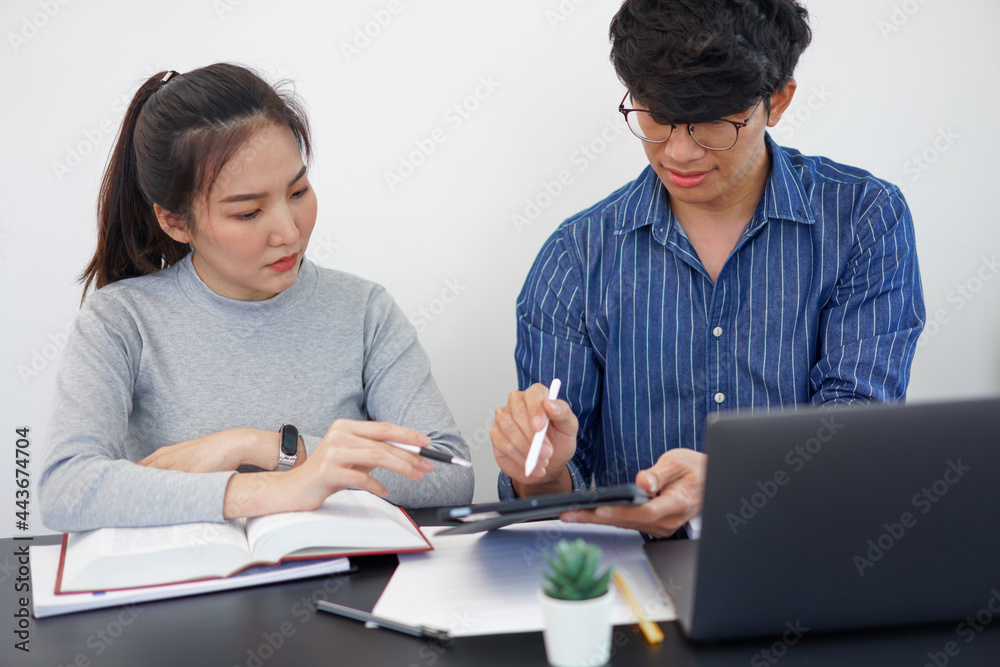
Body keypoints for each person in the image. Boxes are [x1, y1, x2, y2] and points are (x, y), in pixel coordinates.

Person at [490, 0, 925, 538]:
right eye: (656, 116)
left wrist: (731, 483)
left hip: (812, 552)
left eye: (711, 125)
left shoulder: (862, 219)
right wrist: (543, 471)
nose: (678, 153)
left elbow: (856, 431)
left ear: (779, 100)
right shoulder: (575, 255)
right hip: (640, 574)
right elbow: (555, 507)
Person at [39, 63, 473, 532]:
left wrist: (259, 447)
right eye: (248, 213)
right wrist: (266, 491)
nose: (289, 231)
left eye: (299, 191)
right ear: (175, 222)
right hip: (183, 595)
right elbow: (67, 488)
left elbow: (449, 472)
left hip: (335, 584)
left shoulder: (365, 311)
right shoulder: (120, 320)